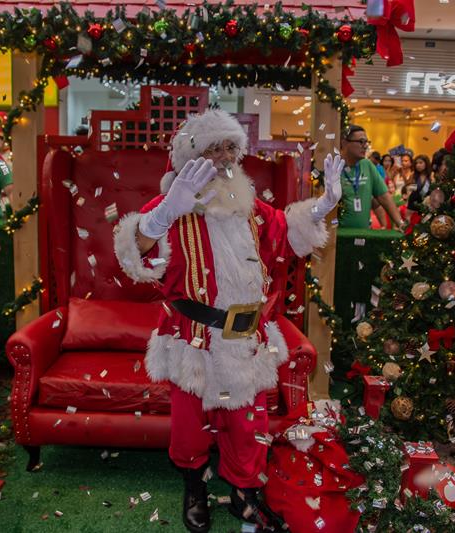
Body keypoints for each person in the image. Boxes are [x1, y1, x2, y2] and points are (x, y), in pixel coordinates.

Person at [113, 109, 344, 533]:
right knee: (190, 429)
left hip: (247, 338)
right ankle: (195, 487)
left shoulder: (251, 208)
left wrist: (322, 207)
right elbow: (136, 251)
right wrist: (166, 211)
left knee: (246, 424)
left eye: (230, 149)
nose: (223, 159)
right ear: (190, 156)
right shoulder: (171, 206)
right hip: (192, 337)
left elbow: (289, 232)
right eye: (213, 149)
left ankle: (243, 494)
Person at [338, 125, 404, 230]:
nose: (365, 146)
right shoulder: (333, 166)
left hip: (363, 234)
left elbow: (384, 197)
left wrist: (400, 223)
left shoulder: (367, 165)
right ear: (344, 143)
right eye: (361, 142)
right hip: (337, 236)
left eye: (366, 142)